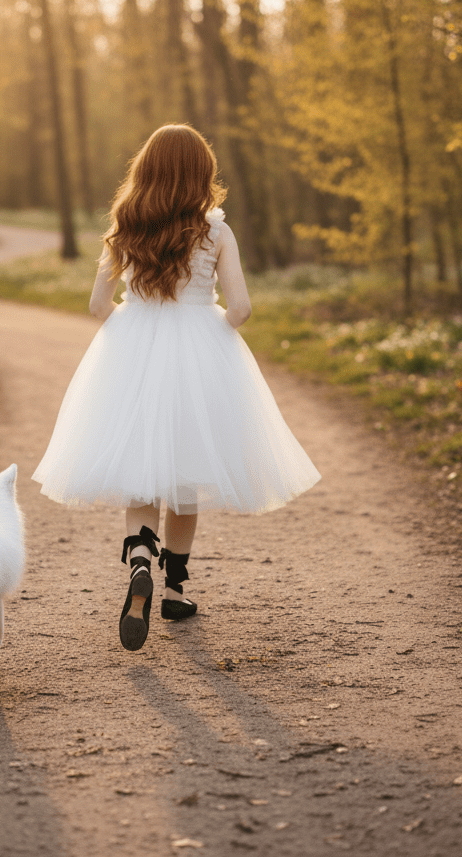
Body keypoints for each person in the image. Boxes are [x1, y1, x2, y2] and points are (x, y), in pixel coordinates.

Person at [32, 124, 320, 651]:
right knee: (187, 473)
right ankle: (173, 590)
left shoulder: (126, 224)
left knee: (142, 471)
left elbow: (98, 307)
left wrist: (135, 316)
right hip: (198, 349)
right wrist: (208, 328)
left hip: (133, 345)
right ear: (201, 173)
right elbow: (241, 309)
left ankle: (139, 559)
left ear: (146, 169)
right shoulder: (216, 231)